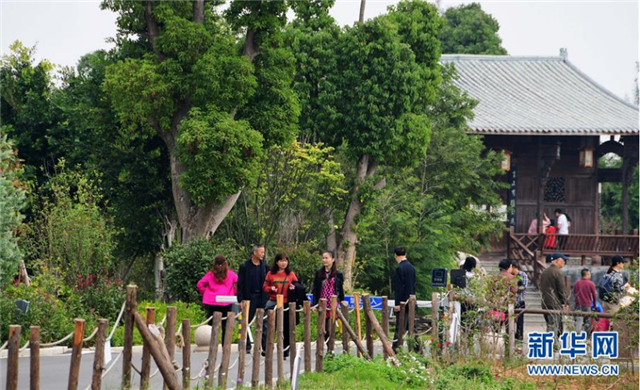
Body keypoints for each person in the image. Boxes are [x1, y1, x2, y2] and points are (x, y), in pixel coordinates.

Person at [262, 253, 298, 358]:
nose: (284, 263)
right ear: (277, 262)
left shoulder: (291, 274)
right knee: (269, 326)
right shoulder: (270, 274)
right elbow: (265, 286)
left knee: (286, 327)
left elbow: (298, 285)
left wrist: (293, 287)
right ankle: (267, 348)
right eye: (281, 261)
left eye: (285, 261)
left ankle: (285, 350)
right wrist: (271, 289)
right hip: (273, 301)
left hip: (286, 302)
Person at [197, 254, 238, 343]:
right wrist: (234, 292)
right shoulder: (231, 274)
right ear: (226, 263)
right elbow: (240, 282)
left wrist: (206, 292)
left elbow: (200, 284)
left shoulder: (210, 274)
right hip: (226, 301)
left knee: (211, 325)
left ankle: (212, 344)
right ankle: (225, 346)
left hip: (213, 301)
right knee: (226, 326)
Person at [237, 243, 269, 353]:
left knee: (263, 322)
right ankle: (246, 346)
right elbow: (240, 283)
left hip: (262, 296)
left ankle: (264, 346)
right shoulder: (245, 266)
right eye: (261, 252)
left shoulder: (265, 267)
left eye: (264, 252)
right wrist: (240, 299)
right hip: (249, 297)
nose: (263, 254)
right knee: (247, 321)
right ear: (254, 252)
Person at [312, 251, 345, 339]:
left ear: (333, 259)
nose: (324, 260)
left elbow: (340, 289)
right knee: (323, 327)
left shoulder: (338, 274)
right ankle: (327, 347)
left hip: (333, 303)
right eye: (323, 258)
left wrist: (342, 301)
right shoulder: (319, 272)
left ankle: (331, 349)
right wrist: (314, 304)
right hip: (322, 302)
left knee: (331, 326)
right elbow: (315, 289)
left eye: (327, 258)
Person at [392, 246, 416, 352]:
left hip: (403, 302)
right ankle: (417, 348)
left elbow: (399, 288)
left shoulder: (399, 268)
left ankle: (395, 350)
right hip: (411, 300)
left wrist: (398, 303)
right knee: (411, 327)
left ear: (395, 255)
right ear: (406, 254)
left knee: (400, 326)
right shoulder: (411, 267)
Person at [540, 252, 569, 340]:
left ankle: (549, 345)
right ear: (557, 260)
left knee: (550, 325)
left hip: (545, 302)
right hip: (555, 303)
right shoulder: (558, 272)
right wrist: (565, 302)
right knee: (555, 327)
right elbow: (562, 289)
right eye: (563, 260)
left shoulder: (545, 272)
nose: (564, 262)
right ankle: (553, 347)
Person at [573, 268, 597, 334]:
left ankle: (578, 337)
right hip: (587, 305)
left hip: (578, 305)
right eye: (589, 274)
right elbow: (594, 296)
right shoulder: (591, 284)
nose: (590, 275)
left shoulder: (577, 283)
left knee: (578, 322)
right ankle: (587, 338)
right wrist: (595, 305)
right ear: (587, 274)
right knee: (588, 323)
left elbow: (574, 293)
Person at [510, 260, 528, 342]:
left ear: (513, 267)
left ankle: (519, 339)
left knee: (520, 323)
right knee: (510, 322)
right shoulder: (510, 276)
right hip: (511, 302)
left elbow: (523, 286)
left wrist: (515, 291)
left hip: (519, 301)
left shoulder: (522, 275)